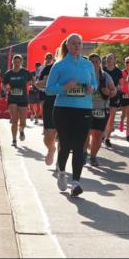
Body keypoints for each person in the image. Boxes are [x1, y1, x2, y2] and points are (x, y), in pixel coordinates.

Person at [45, 34, 98, 196]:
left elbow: (95, 84)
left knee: (79, 146)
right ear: (67, 46)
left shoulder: (88, 64)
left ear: (82, 46)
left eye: (79, 44)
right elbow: (49, 89)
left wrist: (92, 89)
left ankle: (75, 182)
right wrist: (65, 87)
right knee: (65, 144)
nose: (76, 46)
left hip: (83, 109)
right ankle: (62, 172)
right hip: (63, 109)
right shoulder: (59, 66)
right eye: (73, 43)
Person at [87, 53, 117, 166]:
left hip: (102, 108)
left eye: (96, 61)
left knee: (98, 135)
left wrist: (109, 92)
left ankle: (93, 157)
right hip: (86, 108)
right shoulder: (85, 75)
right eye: (91, 61)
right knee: (86, 134)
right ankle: (84, 153)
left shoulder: (105, 76)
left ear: (100, 63)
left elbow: (114, 91)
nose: (94, 64)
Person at [35, 51, 58, 166]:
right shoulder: (48, 68)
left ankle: (61, 162)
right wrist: (47, 81)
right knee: (49, 135)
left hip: (68, 104)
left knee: (64, 135)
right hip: (49, 103)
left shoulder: (74, 69)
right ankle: (51, 148)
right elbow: (38, 84)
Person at [3, 54, 32, 148]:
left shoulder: (25, 72)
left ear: (21, 62)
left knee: (23, 122)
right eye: (15, 61)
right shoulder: (8, 73)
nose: (17, 63)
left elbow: (32, 80)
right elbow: (3, 85)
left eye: (18, 62)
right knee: (14, 119)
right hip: (12, 99)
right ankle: (14, 139)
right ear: (13, 62)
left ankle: (21, 130)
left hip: (23, 98)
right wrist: (5, 87)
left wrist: (33, 85)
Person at [103, 53, 125, 149]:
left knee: (111, 117)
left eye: (111, 58)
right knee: (103, 117)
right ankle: (103, 133)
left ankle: (107, 138)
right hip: (103, 96)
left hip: (114, 95)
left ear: (114, 60)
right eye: (107, 58)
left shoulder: (118, 71)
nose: (108, 59)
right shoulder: (102, 70)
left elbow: (121, 85)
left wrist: (116, 88)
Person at [120, 57, 129, 139]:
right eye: (127, 62)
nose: (128, 64)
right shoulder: (122, 72)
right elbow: (123, 81)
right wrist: (127, 80)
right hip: (123, 94)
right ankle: (122, 121)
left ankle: (128, 130)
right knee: (124, 113)